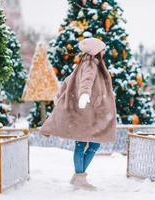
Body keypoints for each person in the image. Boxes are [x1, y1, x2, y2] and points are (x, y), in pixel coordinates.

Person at [39, 38, 117, 190]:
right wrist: (84, 94)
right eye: (102, 49)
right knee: (91, 143)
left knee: (84, 143)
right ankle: (80, 177)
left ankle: (78, 176)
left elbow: (69, 80)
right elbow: (86, 81)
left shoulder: (84, 62)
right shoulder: (91, 63)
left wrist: (60, 94)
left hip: (86, 112)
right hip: (88, 112)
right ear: (95, 50)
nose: (104, 52)